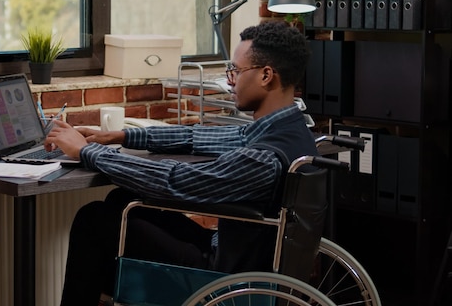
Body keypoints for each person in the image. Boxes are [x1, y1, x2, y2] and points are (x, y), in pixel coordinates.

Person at [44, 20, 318, 306]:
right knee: (121, 201)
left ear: (266, 76)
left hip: (227, 279)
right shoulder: (289, 130)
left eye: (236, 70)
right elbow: (195, 137)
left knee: (94, 220)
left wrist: (87, 152)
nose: (230, 80)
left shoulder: (263, 159)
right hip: (238, 254)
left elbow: (174, 181)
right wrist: (121, 135)